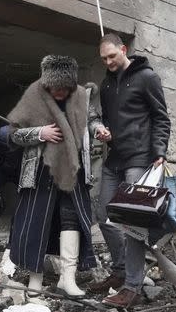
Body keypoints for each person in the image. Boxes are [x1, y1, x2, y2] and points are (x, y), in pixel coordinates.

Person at [6, 55, 103, 299]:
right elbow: (14, 133)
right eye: (55, 88)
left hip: (74, 169)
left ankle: (67, 279)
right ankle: (35, 280)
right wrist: (41, 132)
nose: (59, 92)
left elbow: (92, 120)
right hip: (40, 170)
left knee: (72, 219)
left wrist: (98, 129)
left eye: (64, 88)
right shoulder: (33, 94)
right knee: (37, 221)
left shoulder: (81, 95)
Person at [90, 33, 171, 309]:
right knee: (103, 214)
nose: (109, 62)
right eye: (104, 59)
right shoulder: (106, 84)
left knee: (133, 223)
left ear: (124, 50)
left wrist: (159, 151)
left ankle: (132, 286)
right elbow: (110, 120)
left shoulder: (147, 77)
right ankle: (121, 268)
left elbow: (161, 117)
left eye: (112, 56)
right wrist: (104, 131)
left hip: (140, 159)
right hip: (115, 159)